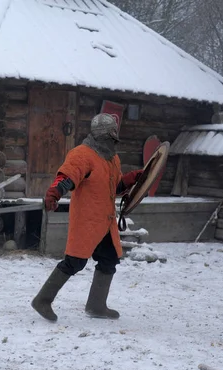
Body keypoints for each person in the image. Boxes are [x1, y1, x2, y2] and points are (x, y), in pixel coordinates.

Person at [31, 113, 143, 322]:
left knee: (109, 259)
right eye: (110, 137)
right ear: (105, 135)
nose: (112, 141)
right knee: (74, 262)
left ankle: (96, 305)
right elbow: (67, 176)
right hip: (87, 220)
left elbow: (114, 186)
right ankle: (42, 300)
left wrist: (133, 178)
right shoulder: (82, 154)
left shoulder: (112, 159)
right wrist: (54, 193)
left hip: (106, 221)